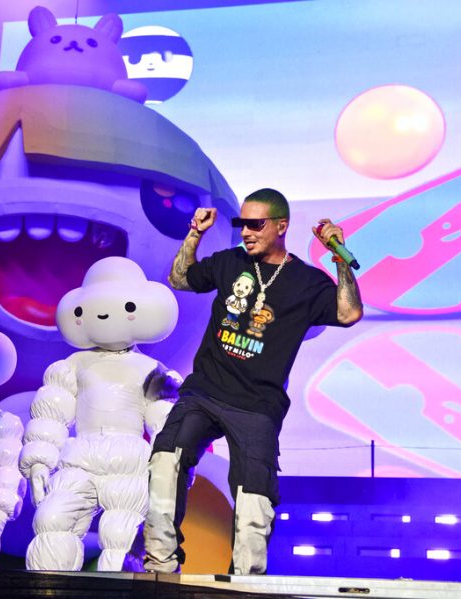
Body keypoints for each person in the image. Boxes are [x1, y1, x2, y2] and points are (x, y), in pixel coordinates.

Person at [143, 188, 363, 575]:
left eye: (255, 224)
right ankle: (160, 566)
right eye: (241, 223)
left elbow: (348, 313)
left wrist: (339, 259)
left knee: (254, 500)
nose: (246, 232)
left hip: (257, 406)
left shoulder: (307, 282)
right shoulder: (230, 263)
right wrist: (194, 233)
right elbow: (179, 278)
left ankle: (245, 582)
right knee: (165, 457)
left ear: (281, 227)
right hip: (206, 392)